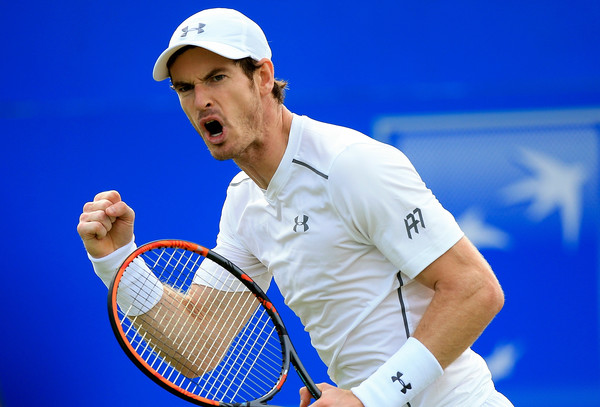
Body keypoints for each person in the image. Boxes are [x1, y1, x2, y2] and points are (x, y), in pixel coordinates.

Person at [77, 8, 513, 407]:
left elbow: (475, 289)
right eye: (185, 88)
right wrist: (118, 262)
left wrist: (370, 398)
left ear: (262, 76)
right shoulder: (244, 199)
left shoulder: (348, 164)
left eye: (216, 77)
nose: (201, 100)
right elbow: (198, 345)